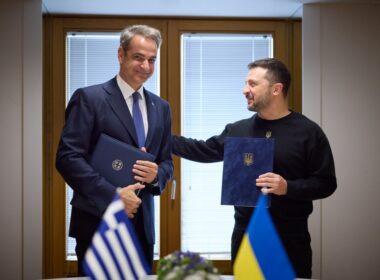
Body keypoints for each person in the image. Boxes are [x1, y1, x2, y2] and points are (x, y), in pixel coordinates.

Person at [172, 58, 337, 278]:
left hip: (290, 237)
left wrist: (288, 187)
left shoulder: (308, 132)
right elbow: (202, 150)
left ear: (276, 89)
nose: (244, 90)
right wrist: (159, 138)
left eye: (252, 84)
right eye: (245, 83)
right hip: (245, 235)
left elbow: (326, 183)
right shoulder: (238, 130)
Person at [56, 25, 173, 275]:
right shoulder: (89, 98)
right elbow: (67, 158)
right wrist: (114, 196)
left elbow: (166, 163)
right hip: (98, 224)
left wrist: (157, 176)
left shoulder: (161, 107)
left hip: (142, 230)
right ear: (121, 55)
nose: (146, 67)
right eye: (138, 57)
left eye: (152, 60)